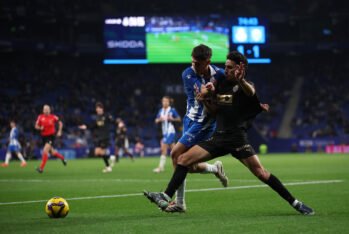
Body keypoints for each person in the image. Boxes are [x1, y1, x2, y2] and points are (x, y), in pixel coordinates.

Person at [144, 51, 314, 216]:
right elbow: (216, 110)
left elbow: (251, 92)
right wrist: (204, 100)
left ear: (241, 69)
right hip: (219, 137)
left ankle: (295, 203)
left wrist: (241, 81)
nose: (226, 70)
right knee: (182, 159)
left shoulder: (246, 86)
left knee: (261, 173)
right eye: (226, 67)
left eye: (230, 67)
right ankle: (166, 196)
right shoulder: (221, 83)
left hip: (237, 139)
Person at [165, 44, 229, 212]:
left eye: (198, 63)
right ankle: (215, 168)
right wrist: (210, 89)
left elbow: (228, 95)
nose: (194, 65)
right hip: (190, 120)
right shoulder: (187, 73)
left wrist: (215, 91)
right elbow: (201, 91)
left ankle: (179, 203)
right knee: (188, 165)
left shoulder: (220, 74)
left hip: (204, 122)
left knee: (175, 154)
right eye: (192, 61)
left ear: (207, 61)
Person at [79, 102, 114, 173]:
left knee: (101, 152)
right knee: (97, 153)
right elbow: (93, 126)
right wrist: (85, 126)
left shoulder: (106, 115)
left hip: (105, 137)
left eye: (98, 108)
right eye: (96, 109)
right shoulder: (97, 118)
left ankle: (108, 167)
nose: (97, 110)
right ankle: (110, 158)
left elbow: (112, 121)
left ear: (102, 109)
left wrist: (117, 122)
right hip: (99, 137)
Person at [35, 105, 67, 173]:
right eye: (45, 109)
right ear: (43, 110)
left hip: (51, 136)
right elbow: (36, 126)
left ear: (49, 110)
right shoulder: (40, 117)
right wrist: (40, 128)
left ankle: (41, 168)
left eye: (47, 109)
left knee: (45, 150)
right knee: (52, 152)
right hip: (43, 137)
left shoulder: (53, 117)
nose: (46, 110)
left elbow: (60, 123)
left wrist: (59, 131)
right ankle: (62, 158)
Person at [153, 96, 181, 173]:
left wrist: (172, 119)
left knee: (164, 148)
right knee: (174, 150)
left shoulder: (172, 110)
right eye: (163, 101)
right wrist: (159, 119)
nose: (164, 102)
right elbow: (156, 120)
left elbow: (179, 119)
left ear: (169, 102)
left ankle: (161, 167)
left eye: (166, 101)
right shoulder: (160, 111)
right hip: (164, 132)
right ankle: (179, 166)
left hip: (170, 131)